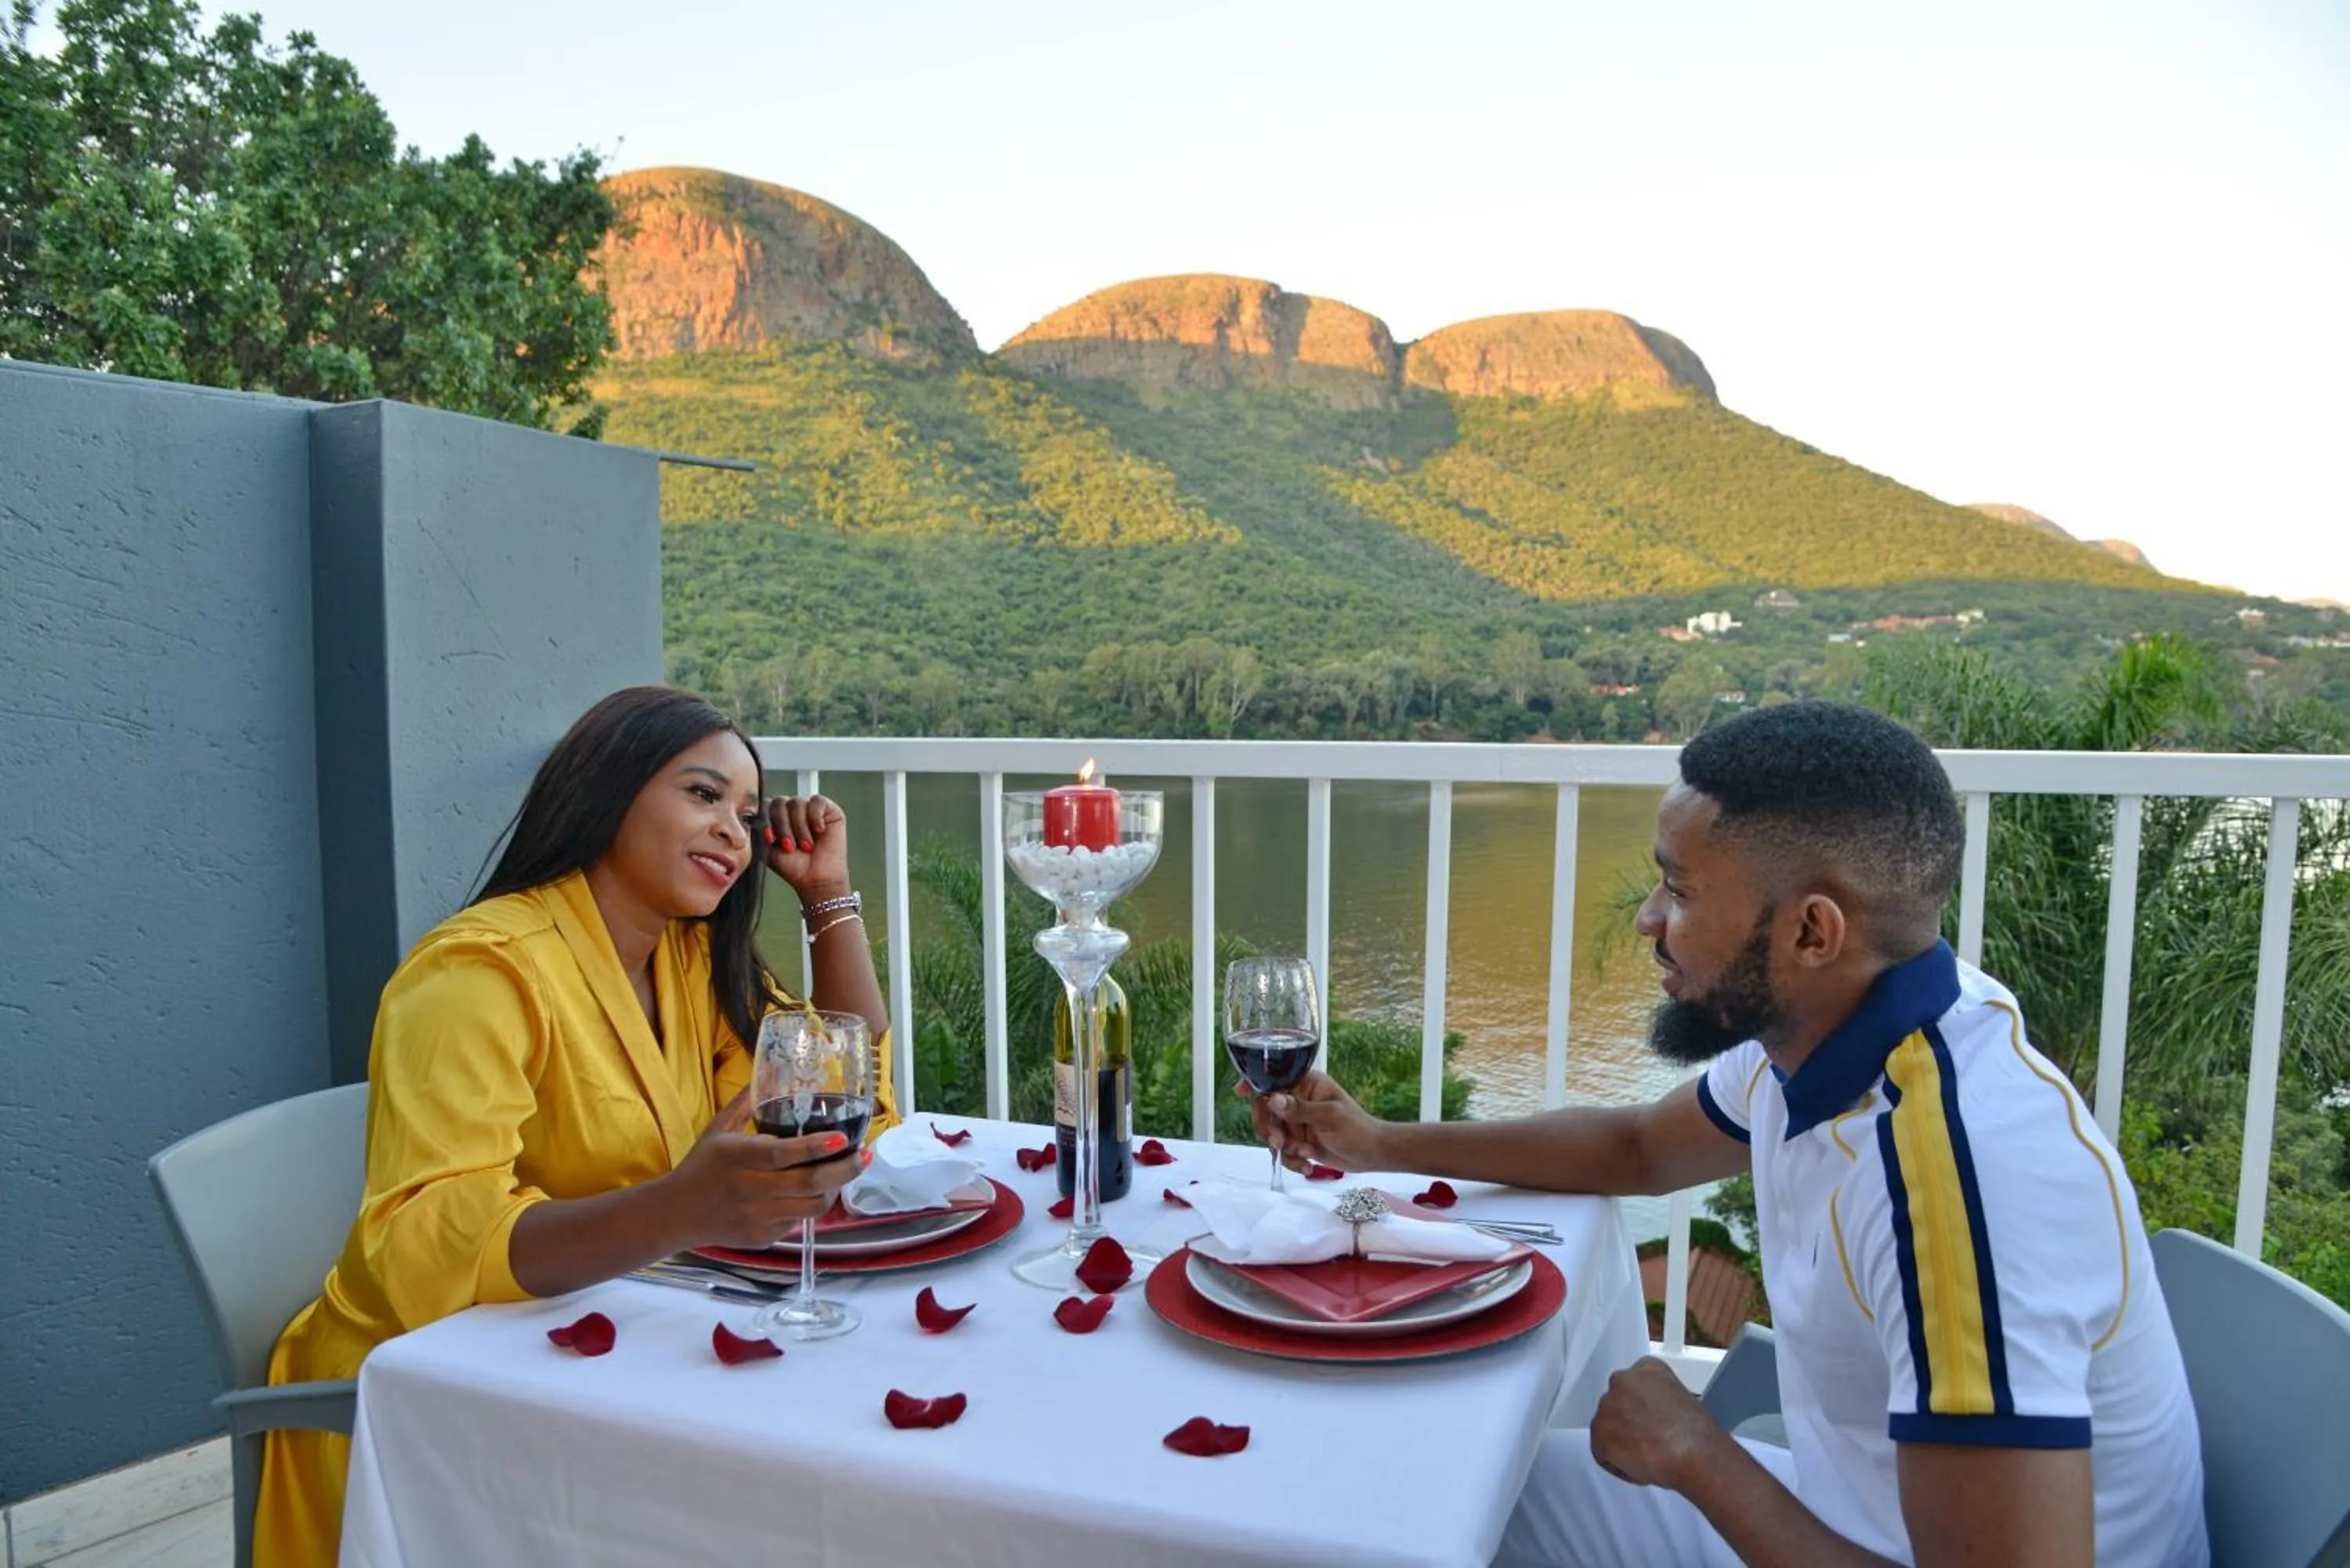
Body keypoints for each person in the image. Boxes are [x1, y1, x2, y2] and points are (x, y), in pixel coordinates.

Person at [1250, 701, 2207, 1568]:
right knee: (1443, 1501)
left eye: (1680, 891)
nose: (1646, 919)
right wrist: (1378, 1144)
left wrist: (1697, 1456)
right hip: (1845, 1517)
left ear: (1811, 932)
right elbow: (1638, 1150)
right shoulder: (1843, 1031)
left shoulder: (1952, 1192)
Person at [255, 686, 898, 1566]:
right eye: (704, 795)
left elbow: (837, 1071)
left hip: (595, 1350)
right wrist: (683, 1206)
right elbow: (421, 1244)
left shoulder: (686, 958)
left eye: (747, 815)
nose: (734, 833)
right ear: (607, 788)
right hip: (425, 1393)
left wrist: (827, 893)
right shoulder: (477, 975)